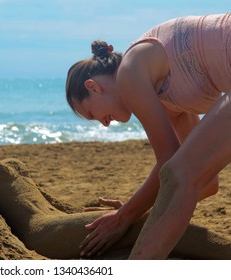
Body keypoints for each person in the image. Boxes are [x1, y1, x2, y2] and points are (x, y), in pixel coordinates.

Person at [65, 13, 231, 259]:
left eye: (92, 114)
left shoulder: (130, 73)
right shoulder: (165, 97)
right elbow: (207, 183)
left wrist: (126, 216)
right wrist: (141, 209)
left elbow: (172, 167)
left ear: (93, 87)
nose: (104, 123)